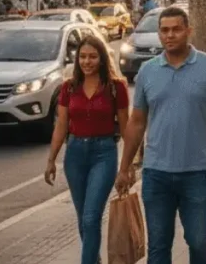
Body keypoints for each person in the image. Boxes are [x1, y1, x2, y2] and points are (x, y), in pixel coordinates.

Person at [115, 6, 206, 263]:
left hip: (198, 172)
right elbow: (137, 122)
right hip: (156, 173)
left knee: (199, 240)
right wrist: (124, 167)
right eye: (164, 30)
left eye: (176, 29)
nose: (170, 35)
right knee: (159, 246)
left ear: (188, 31)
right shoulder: (148, 71)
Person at [45, 32, 129, 264]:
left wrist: (126, 166)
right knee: (84, 219)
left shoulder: (116, 88)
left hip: (104, 153)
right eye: (82, 57)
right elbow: (61, 124)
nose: (87, 62)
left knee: (92, 218)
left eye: (92, 57)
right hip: (75, 155)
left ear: (102, 59)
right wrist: (51, 159)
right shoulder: (68, 88)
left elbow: (126, 127)